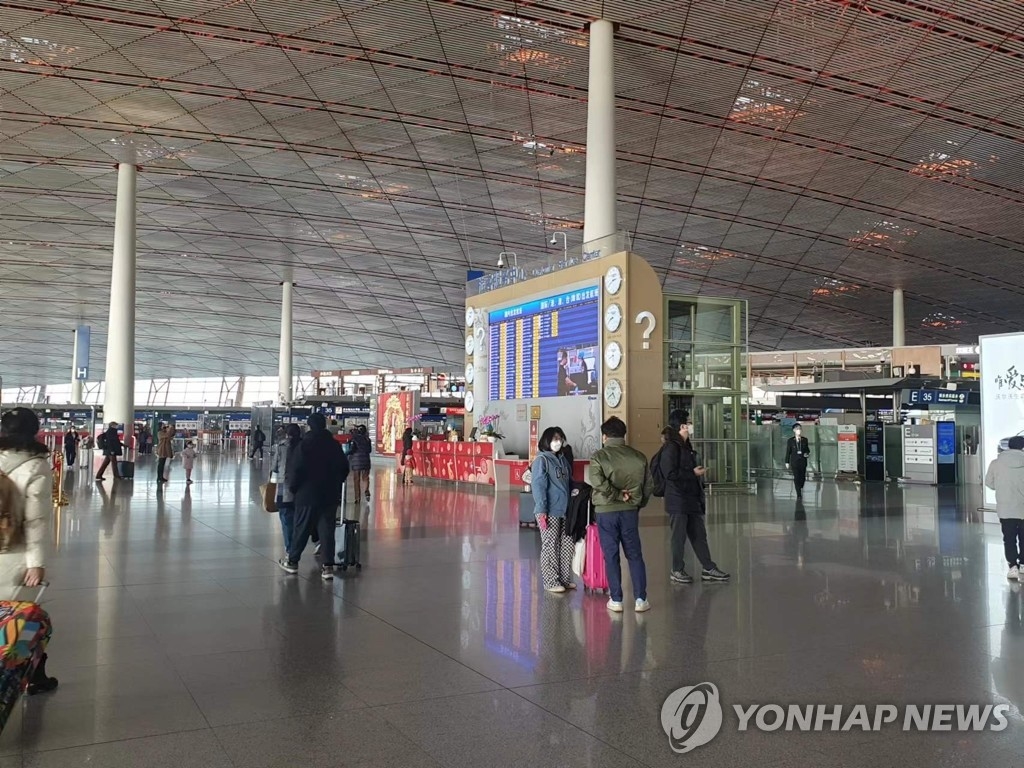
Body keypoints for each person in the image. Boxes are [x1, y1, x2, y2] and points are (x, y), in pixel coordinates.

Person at [0, 408, 58, 695]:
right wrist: (37, 563)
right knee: (21, 620)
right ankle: (26, 676)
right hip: (14, 552)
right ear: (34, 431)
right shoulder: (36, 465)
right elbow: (36, 519)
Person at [590, 416, 652, 613]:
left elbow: (597, 482)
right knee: (634, 554)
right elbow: (649, 485)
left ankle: (616, 599)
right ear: (624, 434)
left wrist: (616, 495)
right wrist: (637, 503)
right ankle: (641, 599)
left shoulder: (598, 457)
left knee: (611, 555)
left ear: (605, 436)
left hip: (605, 512)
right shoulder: (639, 457)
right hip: (629, 512)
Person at [660, 410, 730, 584]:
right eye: (689, 422)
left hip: (691, 497)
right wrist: (693, 473)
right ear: (682, 426)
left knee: (699, 534)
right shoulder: (671, 447)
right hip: (678, 499)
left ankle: (708, 568)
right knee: (679, 537)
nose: (691, 425)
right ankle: (676, 569)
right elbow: (669, 474)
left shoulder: (686, 445)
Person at [279, 413, 349, 581]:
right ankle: (328, 566)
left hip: (306, 495)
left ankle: (293, 561)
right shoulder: (333, 445)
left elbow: (295, 470)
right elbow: (344, 468)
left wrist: (295, 489)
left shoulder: (304, 445)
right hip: (329, 495)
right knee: (327, 531)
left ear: (310, 426)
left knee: (301, 528)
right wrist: (335, 483)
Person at [532, 426, 576, 593]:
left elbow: (569, 481)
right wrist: (542, 509)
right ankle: (550, 581)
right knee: (550, 545)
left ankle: (564, 578)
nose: (558, 442)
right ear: (547, 440)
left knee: (567, 544)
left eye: (560, 438)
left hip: (565, 509)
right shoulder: (541, 460)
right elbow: (538, 486)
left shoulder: (563, 460)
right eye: (555, 439)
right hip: (549, 510)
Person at [986, 435, 1024, 580]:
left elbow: (989, 483)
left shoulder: (996, 463)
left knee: (1009, 538)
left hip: (1005, 508)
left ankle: (1013, 567)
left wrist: (1002, 486)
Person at [270, 424, 302, 557]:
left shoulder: (281, 446)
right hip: (301, 487)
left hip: (284, 486)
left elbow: (274, 467)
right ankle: (314, 541)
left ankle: (290, 549)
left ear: (286, 434)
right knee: (300, 517)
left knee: (285, 517)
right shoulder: (304, 446)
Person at [348, 425, 372, 503]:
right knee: (365, 478)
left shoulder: (354, 439)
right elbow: (369, 450)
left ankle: (357, 498)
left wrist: (347, 453)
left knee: (356, 480)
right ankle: (366, 490)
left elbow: (352, 450)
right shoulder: (368, 439)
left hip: (356, 462)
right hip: (366, 461)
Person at [785, 424, 811, 494]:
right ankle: (798, 493)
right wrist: (787, 462)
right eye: (797, 429)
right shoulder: (790, 441)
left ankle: (801, 486)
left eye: (800, 429)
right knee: (796, 477)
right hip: (794, 461)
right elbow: (788, 452)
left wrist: (807, 453)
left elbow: (807, 450)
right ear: (794, 430)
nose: (799, 430)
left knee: (802, 477)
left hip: (803, 461)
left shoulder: (804, 440)